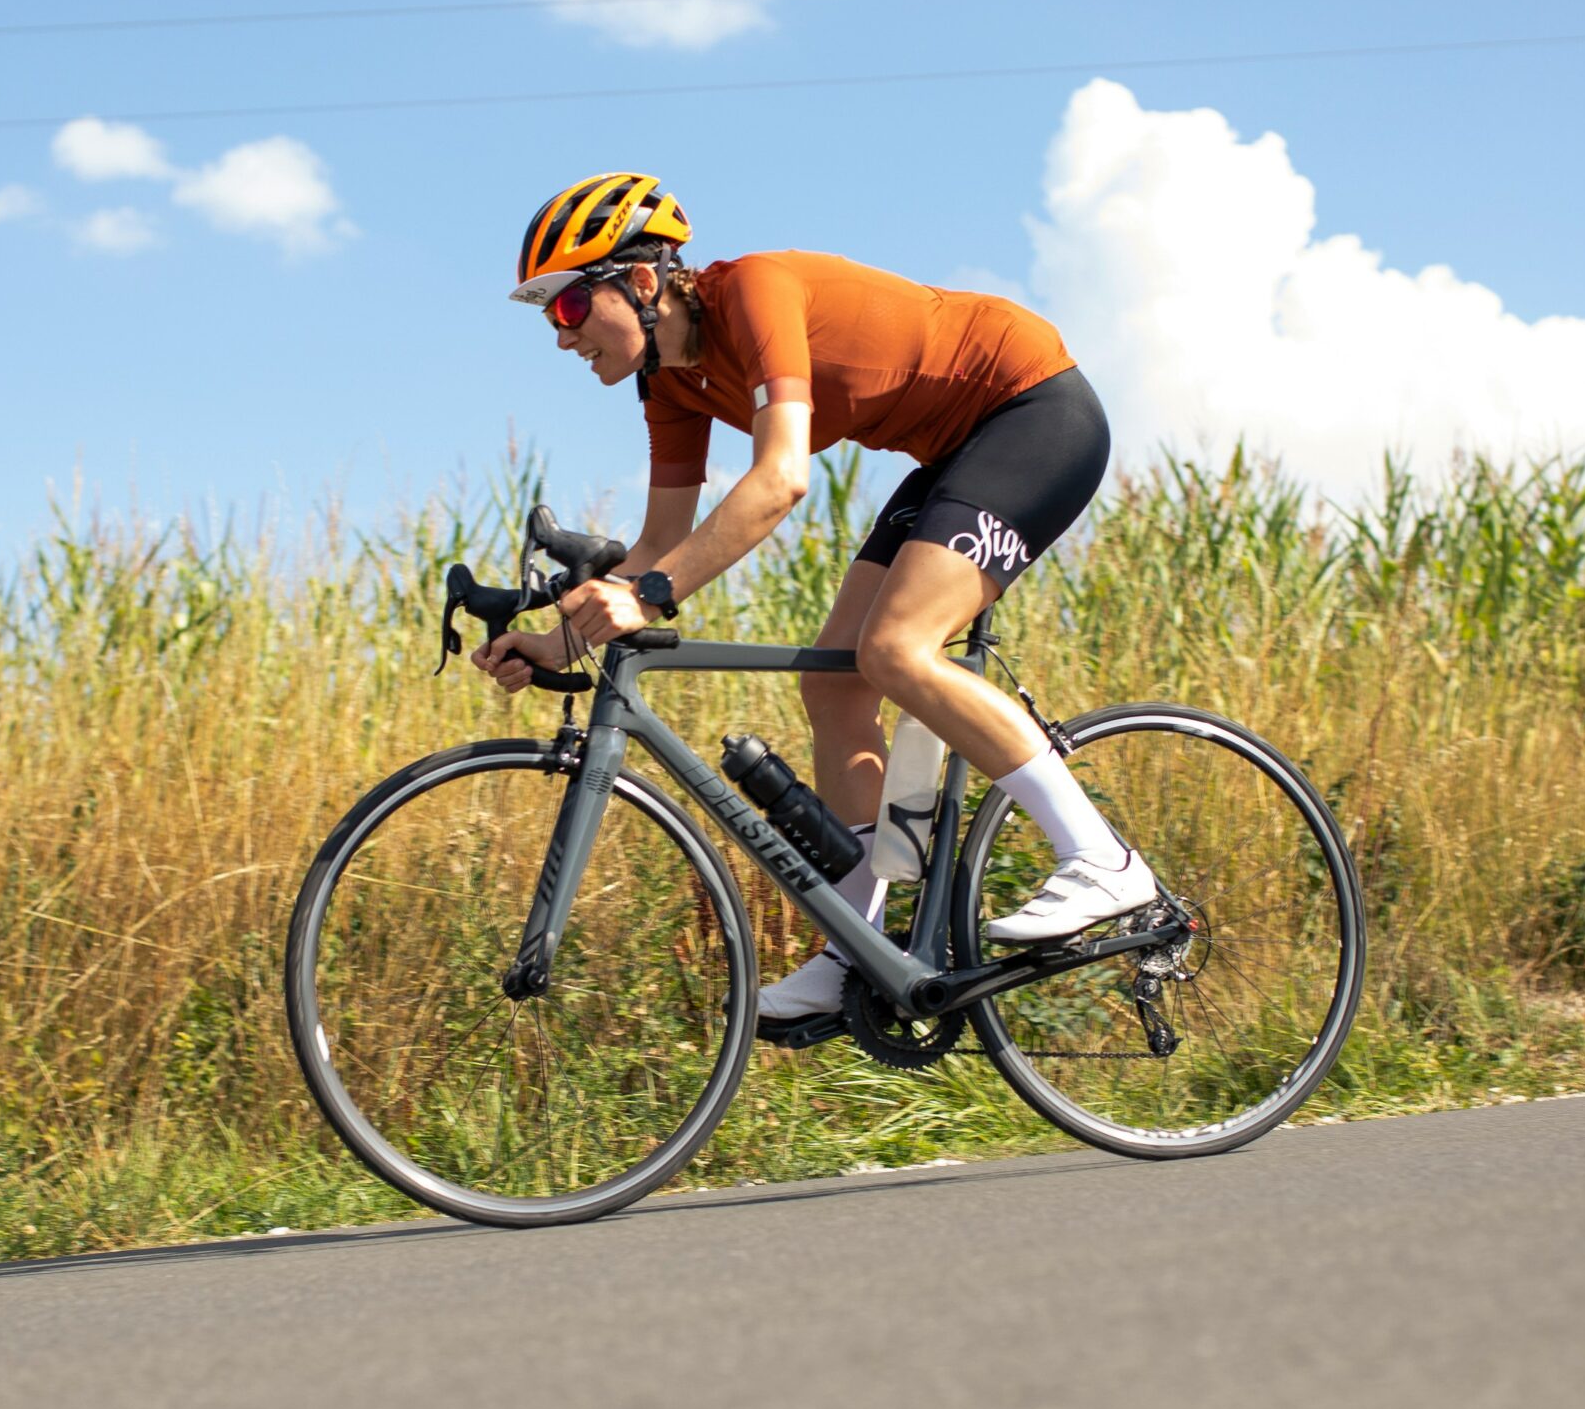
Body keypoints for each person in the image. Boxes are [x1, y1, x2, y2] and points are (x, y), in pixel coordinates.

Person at [474, 171, 1154, 1031]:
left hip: (1031, 409)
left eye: (569, 309)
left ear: (643, 283)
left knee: (898, 648)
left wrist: (648, 596)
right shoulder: (669, 382)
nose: (560, 337)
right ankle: (855, 954)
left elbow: (781, 478)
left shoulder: (754, 290)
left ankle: (1100, 858)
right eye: (547, 319)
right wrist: (556, 641)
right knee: (837, 683)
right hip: (948, 453)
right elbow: (657, 545)